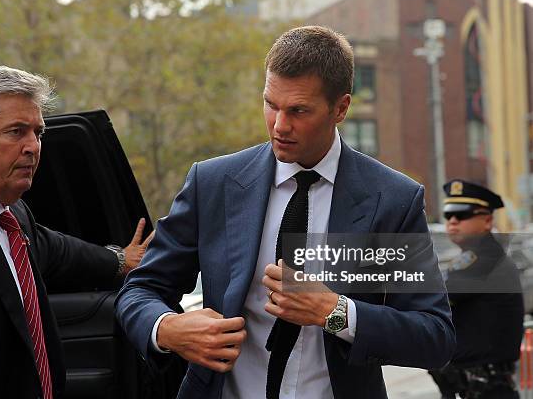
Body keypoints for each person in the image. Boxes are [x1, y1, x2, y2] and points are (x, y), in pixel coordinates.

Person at [116, 26, 455, 399]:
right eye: (270, 104)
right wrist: (167, 329)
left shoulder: (393, 199)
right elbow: (142, 290)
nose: (279, 125)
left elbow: (434, 336)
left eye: (298, 110)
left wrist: (336, 311)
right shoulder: (212, 183)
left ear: (340, 108)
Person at [0, 66, 153, 398]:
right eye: (16, 132)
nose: (33, 146)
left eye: (38, 132)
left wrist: (120, 260)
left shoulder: (11, 213)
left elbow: (56, 250)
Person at [429, 179, 524, 399]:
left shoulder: (486, 260)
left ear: (487, 220)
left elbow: (434, 295)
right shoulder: (470, 259)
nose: (452, 221)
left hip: (487, 389)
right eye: (448, 215)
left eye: (462, 215)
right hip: (472, 388)